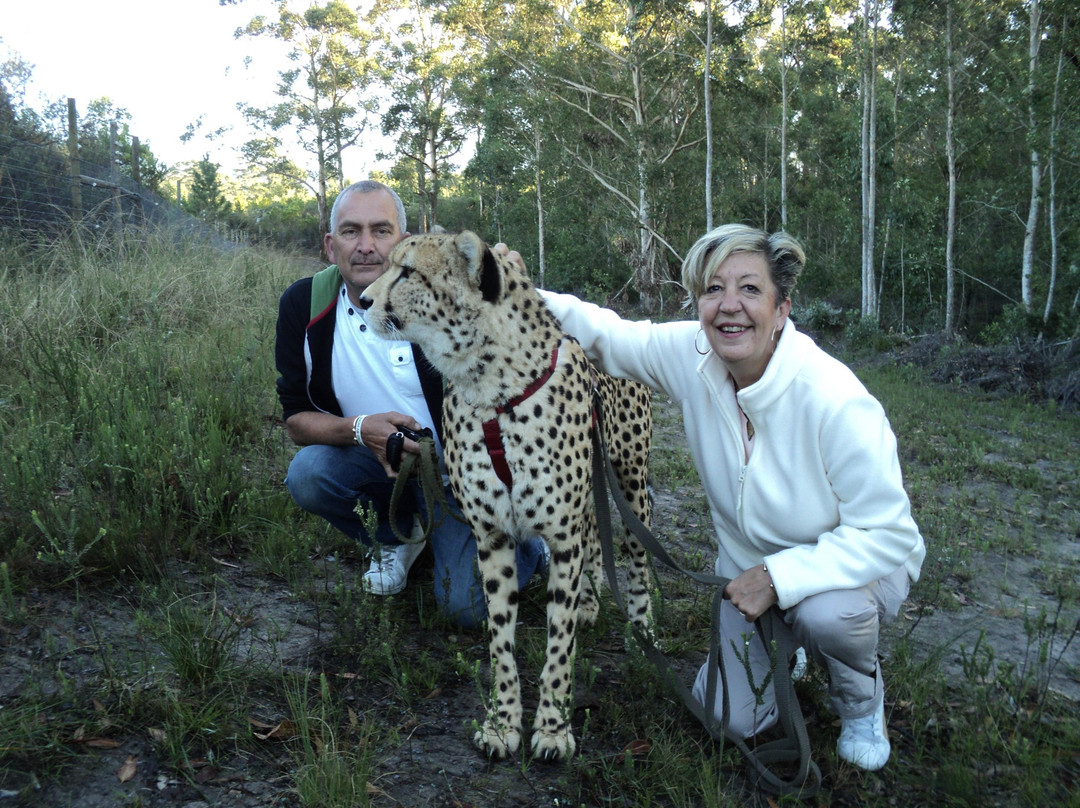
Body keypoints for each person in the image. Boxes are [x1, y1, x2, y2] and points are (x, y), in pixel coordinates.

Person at [534, 223, 925, 772]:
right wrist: (511, 286)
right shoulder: (694, 355)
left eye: (749, 289)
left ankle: (861, 703)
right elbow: (611, 335)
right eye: (713, 289)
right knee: (727, 719)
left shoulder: (837, 400)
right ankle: (782, 647)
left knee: (829, 616)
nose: (729, 306)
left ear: (782, 308)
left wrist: (777, 579)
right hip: (748, 576)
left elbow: (888, 534)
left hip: (853, 571)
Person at [275, 180, 547, 630]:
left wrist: (508, 288)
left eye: (381, 231)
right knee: (308, 474)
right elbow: (296, 418)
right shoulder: (303, 305)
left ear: (404, 241)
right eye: (350, 232)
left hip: (468, 481)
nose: (366, 247)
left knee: (465, 611)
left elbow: (525, 371)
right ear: (329, 245)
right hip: (380, 469)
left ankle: (527, 545)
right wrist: (362, 430)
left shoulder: (448, 294)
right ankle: (395, 536)